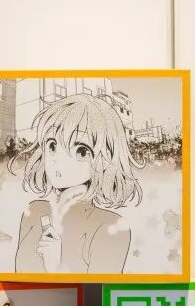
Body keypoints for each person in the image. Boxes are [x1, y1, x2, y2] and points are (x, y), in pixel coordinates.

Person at [11, 93, 142, 274]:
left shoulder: (110, 227)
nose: (58, 159)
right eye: (52, 145)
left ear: (105, 159)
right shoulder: (34, 212)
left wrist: (54, 268)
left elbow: (99, 290)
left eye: (81, 150)